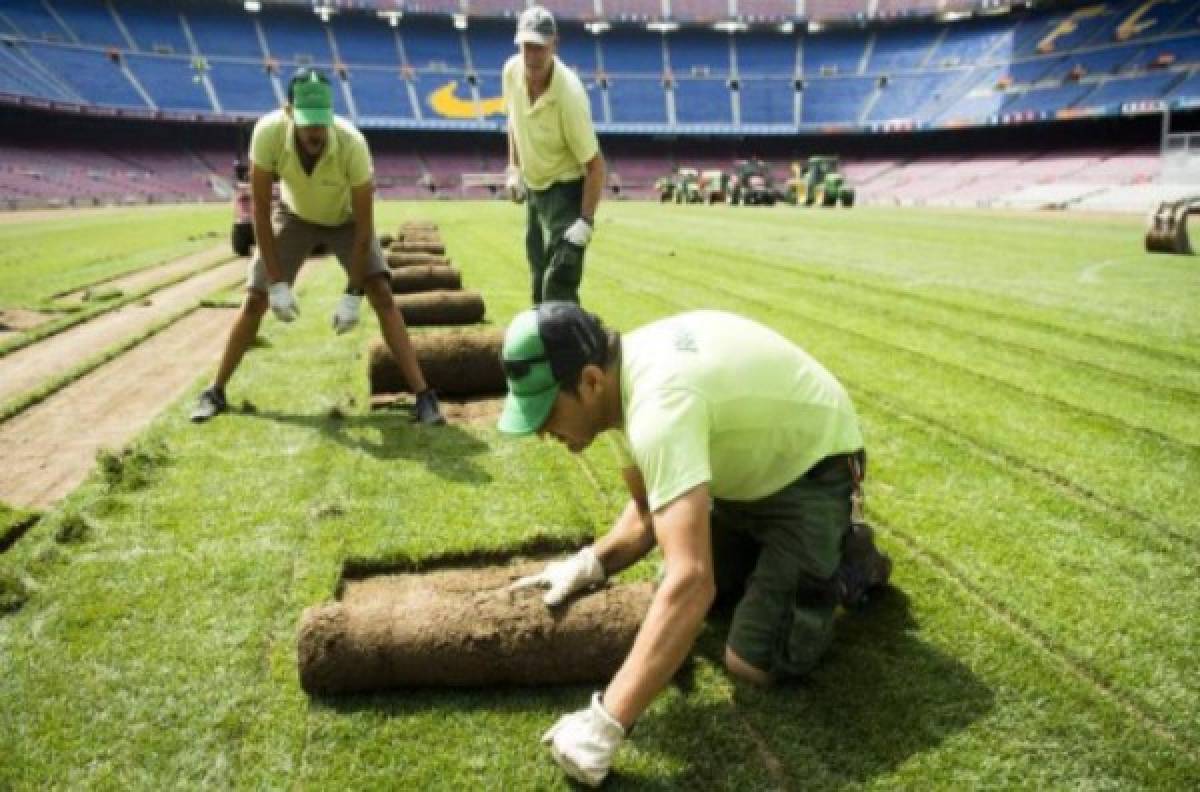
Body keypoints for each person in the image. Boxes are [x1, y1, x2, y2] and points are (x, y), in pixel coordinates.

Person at [498, 303, 892, 786]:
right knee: (685, 591)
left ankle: (849, 556)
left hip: (813, 470)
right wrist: (588, 563)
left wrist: (607, 723)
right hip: (748, 474)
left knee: (751, 660)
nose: (541, 432)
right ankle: (774, 556)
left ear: (590, 382)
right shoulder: (620, 384)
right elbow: (647, 510)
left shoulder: (660, 406)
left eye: (546, 411)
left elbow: (692, 582)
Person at [191, 68, 444, 425]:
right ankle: (214, 390)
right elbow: (260, 214)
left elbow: (364, 227)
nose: (314, 132)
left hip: (346, 220)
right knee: (255, 298)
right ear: (289, 111)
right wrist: (277, 283)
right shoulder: (267, 133)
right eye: (307, 122)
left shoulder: (353, 144)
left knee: (382, 295)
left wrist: (353, 293)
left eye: (321, 122)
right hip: (293, 215)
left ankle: (424, 395)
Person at [502, 5, 606, 306]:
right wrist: (514, 168)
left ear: (554, 46)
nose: (532, 56)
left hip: (566, 190)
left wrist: (585, 222)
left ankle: (570, 351)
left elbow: (596, 166)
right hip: (534, 190)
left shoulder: (569, 97)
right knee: (537, 276)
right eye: (526, 46)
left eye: (539, 47)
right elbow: (513, 120)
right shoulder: (511, 71)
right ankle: (542, 348)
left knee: (558, 283)